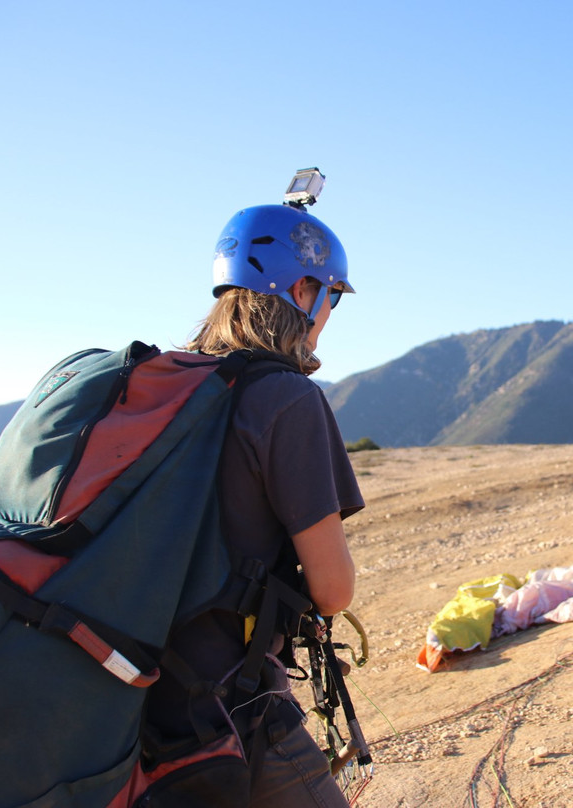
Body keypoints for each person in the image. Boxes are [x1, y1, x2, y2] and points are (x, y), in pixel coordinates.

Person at [148, 202, 365, 807]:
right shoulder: (287, 399)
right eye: (331, 296)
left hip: (125, 687)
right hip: (229, 709)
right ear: (301, 288)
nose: (328, 315)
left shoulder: (172, 384)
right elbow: (332, 591)